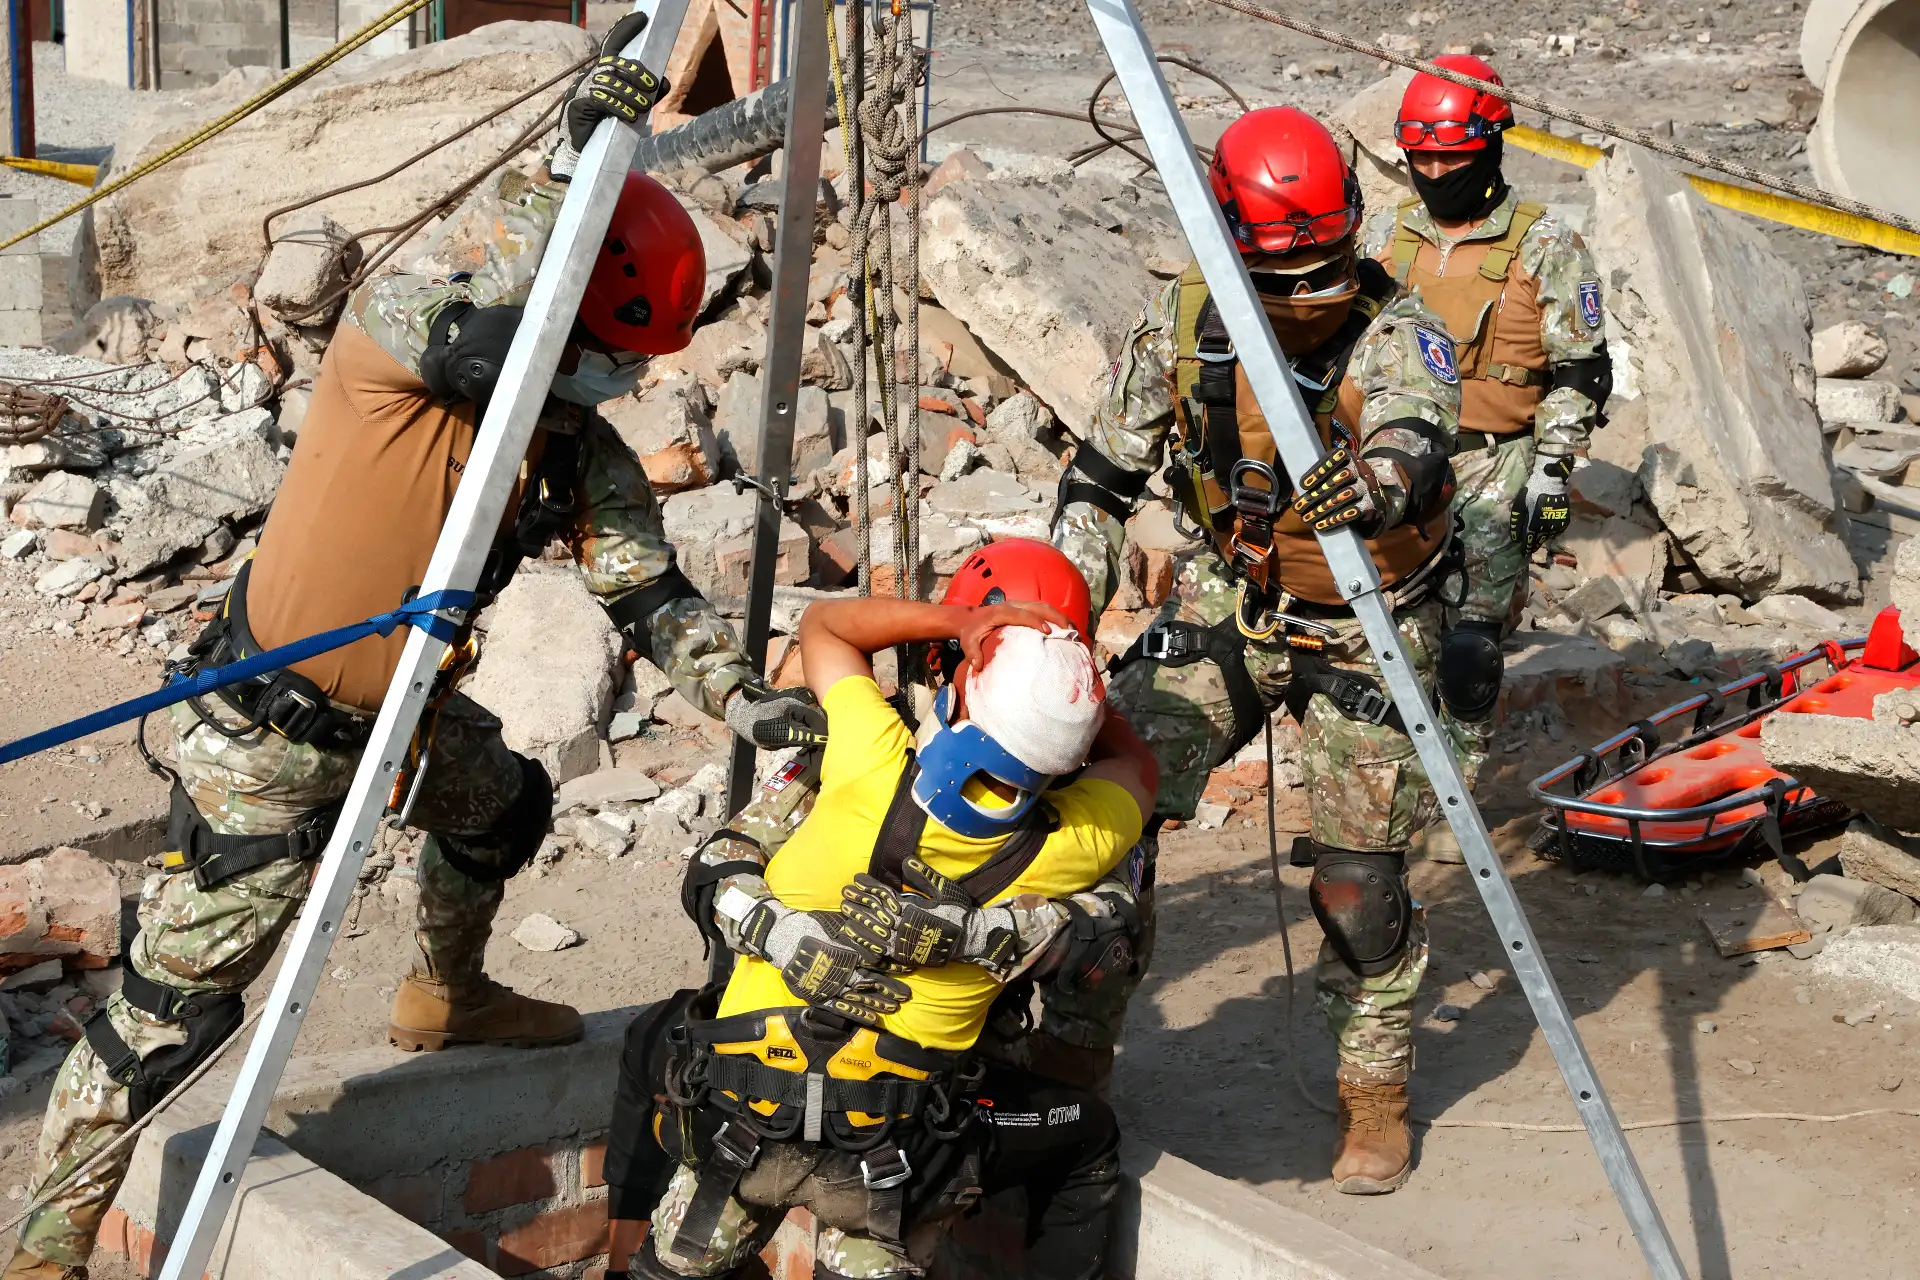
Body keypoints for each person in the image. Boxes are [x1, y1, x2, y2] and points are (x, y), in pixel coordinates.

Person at [5, 20, 819, 1278]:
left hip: (410, 729)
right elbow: (477, 335)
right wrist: (575, 166)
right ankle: (47, 1249)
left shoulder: (568, 446)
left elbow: (649, 594)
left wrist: (744, 699)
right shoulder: (396, 337)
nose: (614, 378)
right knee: (166, 1020)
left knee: (502, 806)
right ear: (565, 310)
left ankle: (447, 990)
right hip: (270, 742)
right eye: (607, 351)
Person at [1048, 105, 1466, 1194]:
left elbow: (1418, 434)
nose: (1308, 296)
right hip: (1240, 598)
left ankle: (1374, 1093)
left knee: (1358, 884)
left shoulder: (1397, 330)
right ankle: (1073, 1050)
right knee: (1102, 814)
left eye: (1324, 270)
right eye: (1282, 278)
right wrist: (1053, 611)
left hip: (1370, 617)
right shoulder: (1184, 323)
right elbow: (1102, 476)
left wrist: (1376, 481)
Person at [615, 569, 1159, 1279]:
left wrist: (960, 622)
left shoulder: (864, 759)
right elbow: (1137, 768)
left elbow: (826, 625)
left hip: (741, 1126)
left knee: (661, 1068)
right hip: (893, 1163)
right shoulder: (1076, 843)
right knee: (1087, 1134)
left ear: (960, 696)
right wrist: (1073, 692)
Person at [1360, 55, 1612, 862]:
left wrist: (1553, 468)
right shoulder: (1386, 236)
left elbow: (1580, 368)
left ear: (1492, 148)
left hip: (1495, 467)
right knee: (1384, 636)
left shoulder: (1547, 243)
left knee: (1470, 646)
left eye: (1453, 159)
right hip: (1396, 462)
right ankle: (1374, 798)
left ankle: (1454, 799)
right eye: (1422, 159)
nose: (1436, 174)